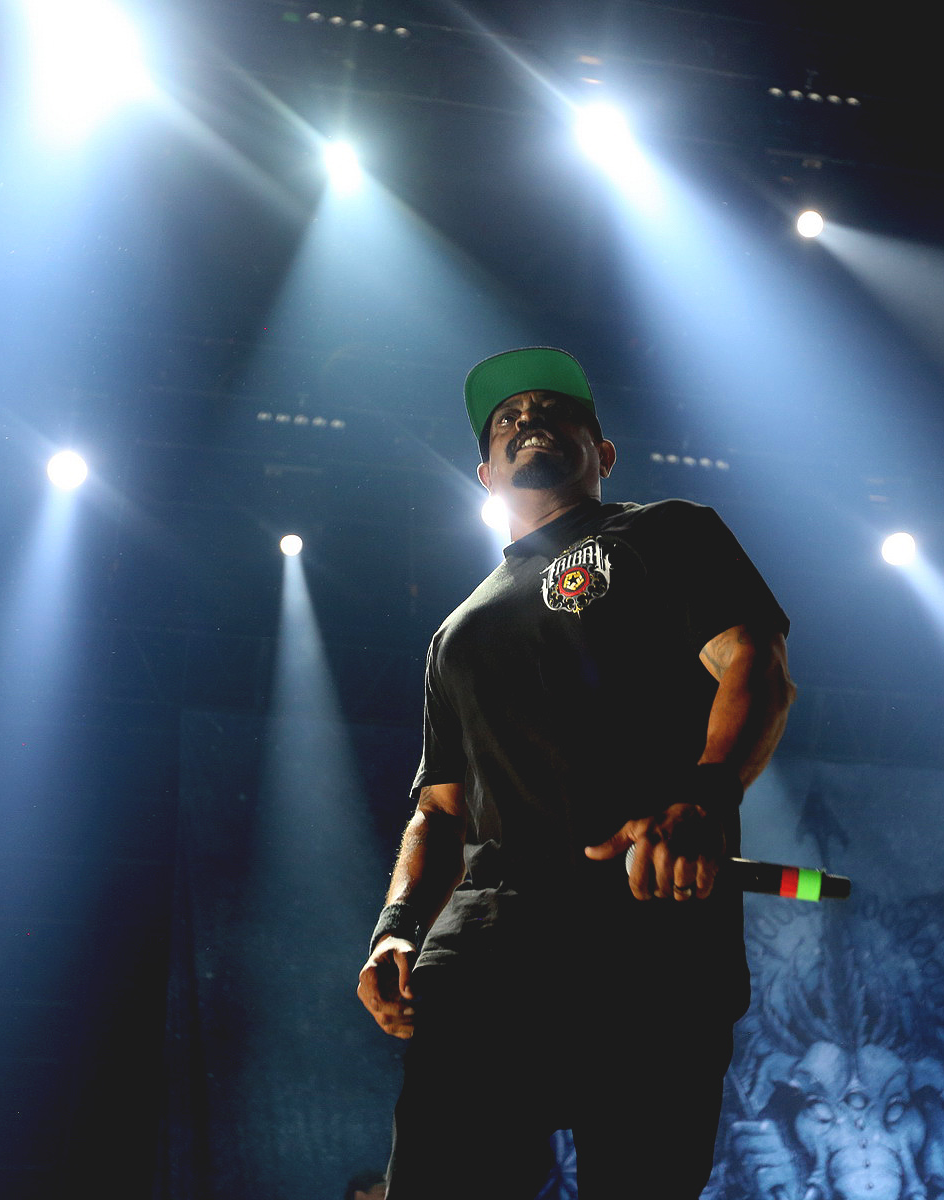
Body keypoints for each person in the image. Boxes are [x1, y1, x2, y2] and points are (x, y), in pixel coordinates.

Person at [355, 347, 797, 1200]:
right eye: (507, 418)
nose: (528, 418)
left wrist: (704, 796)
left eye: (555, 410)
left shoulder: (666, 533)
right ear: (485, 475)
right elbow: (439, 811)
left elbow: (755, 663)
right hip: (486, 957)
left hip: (653, 953)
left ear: (605, 452)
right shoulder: (454, 635)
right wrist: (396, 928)